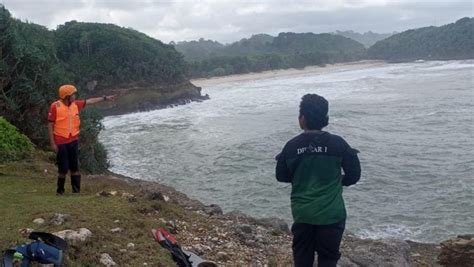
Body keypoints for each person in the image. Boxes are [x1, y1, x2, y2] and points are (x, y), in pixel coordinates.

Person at [275, 94, 361, 267]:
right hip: (332, 214)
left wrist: (300, 178)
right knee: (328, 258)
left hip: (303, 213)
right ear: (326, 119)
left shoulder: (291, 146)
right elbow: (354, 175)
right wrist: (338, 181)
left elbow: (281, 176)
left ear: (302, 119)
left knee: (302, 256)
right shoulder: (339, 144)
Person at [47, 84, 115, 195]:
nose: (75, 96)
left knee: (75, 167)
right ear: (66, 96)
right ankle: (60, 191)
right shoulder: (55, 106)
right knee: (63, 168)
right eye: (73, 94)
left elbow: (90, 101)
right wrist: (52, 143)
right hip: (61, 141)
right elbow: (50, 124)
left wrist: (104, 98)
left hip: (73, 140)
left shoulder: (75, 105)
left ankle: (76, 191)